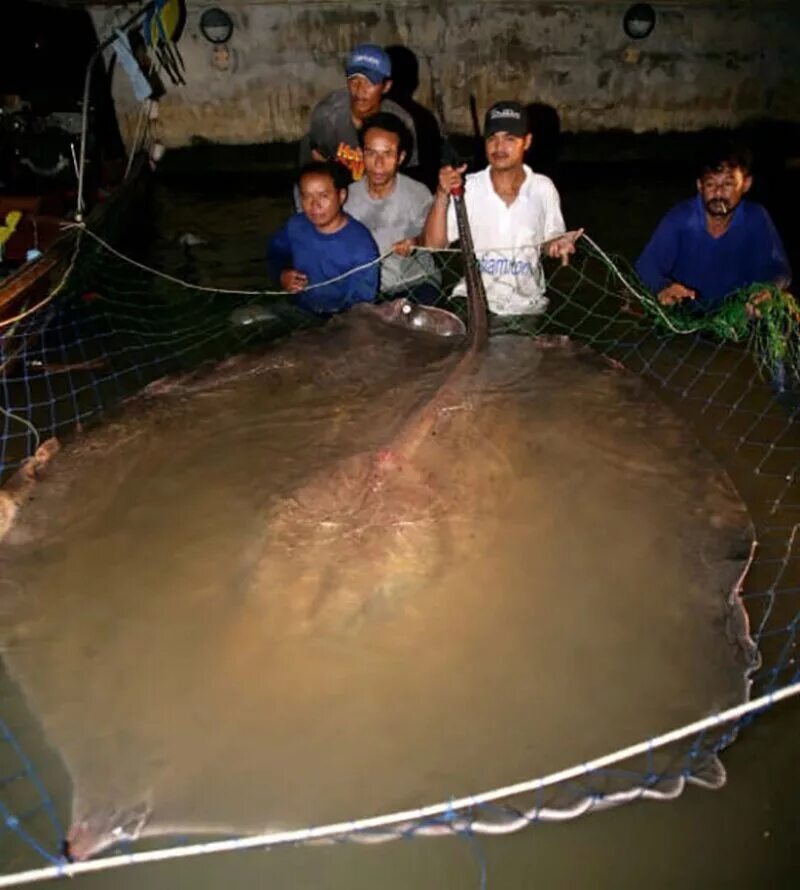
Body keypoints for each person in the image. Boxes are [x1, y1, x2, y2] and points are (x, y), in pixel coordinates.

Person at [423, 100, 582, 324]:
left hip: (525, 306)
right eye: (492, 138)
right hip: (472, 302)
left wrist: (558, 244)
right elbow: (433, 244)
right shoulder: (467, 187)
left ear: (526, 142)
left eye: (510, 139)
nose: (499, 147)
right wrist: (441, 194)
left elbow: (550, 239)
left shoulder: (543, 188)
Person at [635, 143, 791, 312]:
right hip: (688, 314)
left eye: (728, 185)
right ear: (700, 186)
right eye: (710, 184)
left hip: (738, 312)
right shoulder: (680, 218)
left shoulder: (756, 217)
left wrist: (767, 289)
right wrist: (664, 287)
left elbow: (779, 268)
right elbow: (646, 266)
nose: (718, 193)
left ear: (746, 184)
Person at [345, 112, 440, 304]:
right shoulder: (346, 198)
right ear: (361, 154)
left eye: (387, 154)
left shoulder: (418, 193)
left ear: (401, 157)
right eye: (371, 153)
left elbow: (433, 240)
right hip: (368, 290)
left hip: (416, 283)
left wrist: (415, 241)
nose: (378, 164)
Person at [268, 161, 379, 315]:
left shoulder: (361, 245)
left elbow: (362, 305)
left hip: (340, 318)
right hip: (300, 309)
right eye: (306, 197)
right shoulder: (296, 226)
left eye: (323, 196)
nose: (314, 205)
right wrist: (282, 275)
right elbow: (275, 253)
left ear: (341, 196)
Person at [298, 44, 418, 183]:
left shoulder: (401, 123)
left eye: (370, 82)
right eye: (354, 80)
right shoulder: (328, 116)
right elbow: (315, 162)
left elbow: (407, 178)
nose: (360, 89)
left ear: (386, 86)